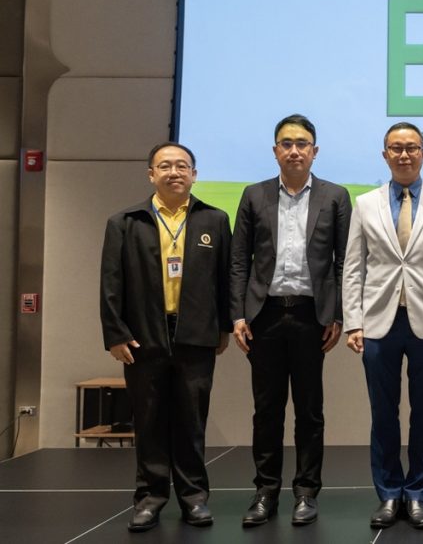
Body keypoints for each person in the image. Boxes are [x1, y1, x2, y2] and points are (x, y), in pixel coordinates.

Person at [99, 142, 232, 532]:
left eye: (182, 166)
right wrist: (115, 334)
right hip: (142, 338)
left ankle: (194, 498)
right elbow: (111, 283)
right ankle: (150, 499)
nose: (174, 172)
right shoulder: (124, 222)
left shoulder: (214, 220)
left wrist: (223, 326)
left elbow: (225, 279)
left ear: (194, 174)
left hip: (196, 335)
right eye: (165, 166)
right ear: (151, 174)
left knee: (192, 422)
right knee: (149, 421)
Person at [342, 122, 423, 530]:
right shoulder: (365, 203)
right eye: (396, 148)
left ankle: (417, 494)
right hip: (378, 322)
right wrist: (353, 322)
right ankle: (389, 493)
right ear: (385, 155)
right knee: (383, 414)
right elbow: (354, 267)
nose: (404, 154)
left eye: (412, 147)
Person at [230, 114, 351, 527]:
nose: (294, 150)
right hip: (263, 315)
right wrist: (238, 314)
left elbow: (343, 261)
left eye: (302, 144)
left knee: (310, 410)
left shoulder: (335, 196)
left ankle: (306, 492)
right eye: (287, 143)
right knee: (266, 409)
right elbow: (239, 260)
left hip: (310, 316)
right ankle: (265, 491)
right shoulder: (254, 195)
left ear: (315, 151)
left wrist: (337, 314)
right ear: (275, 150)